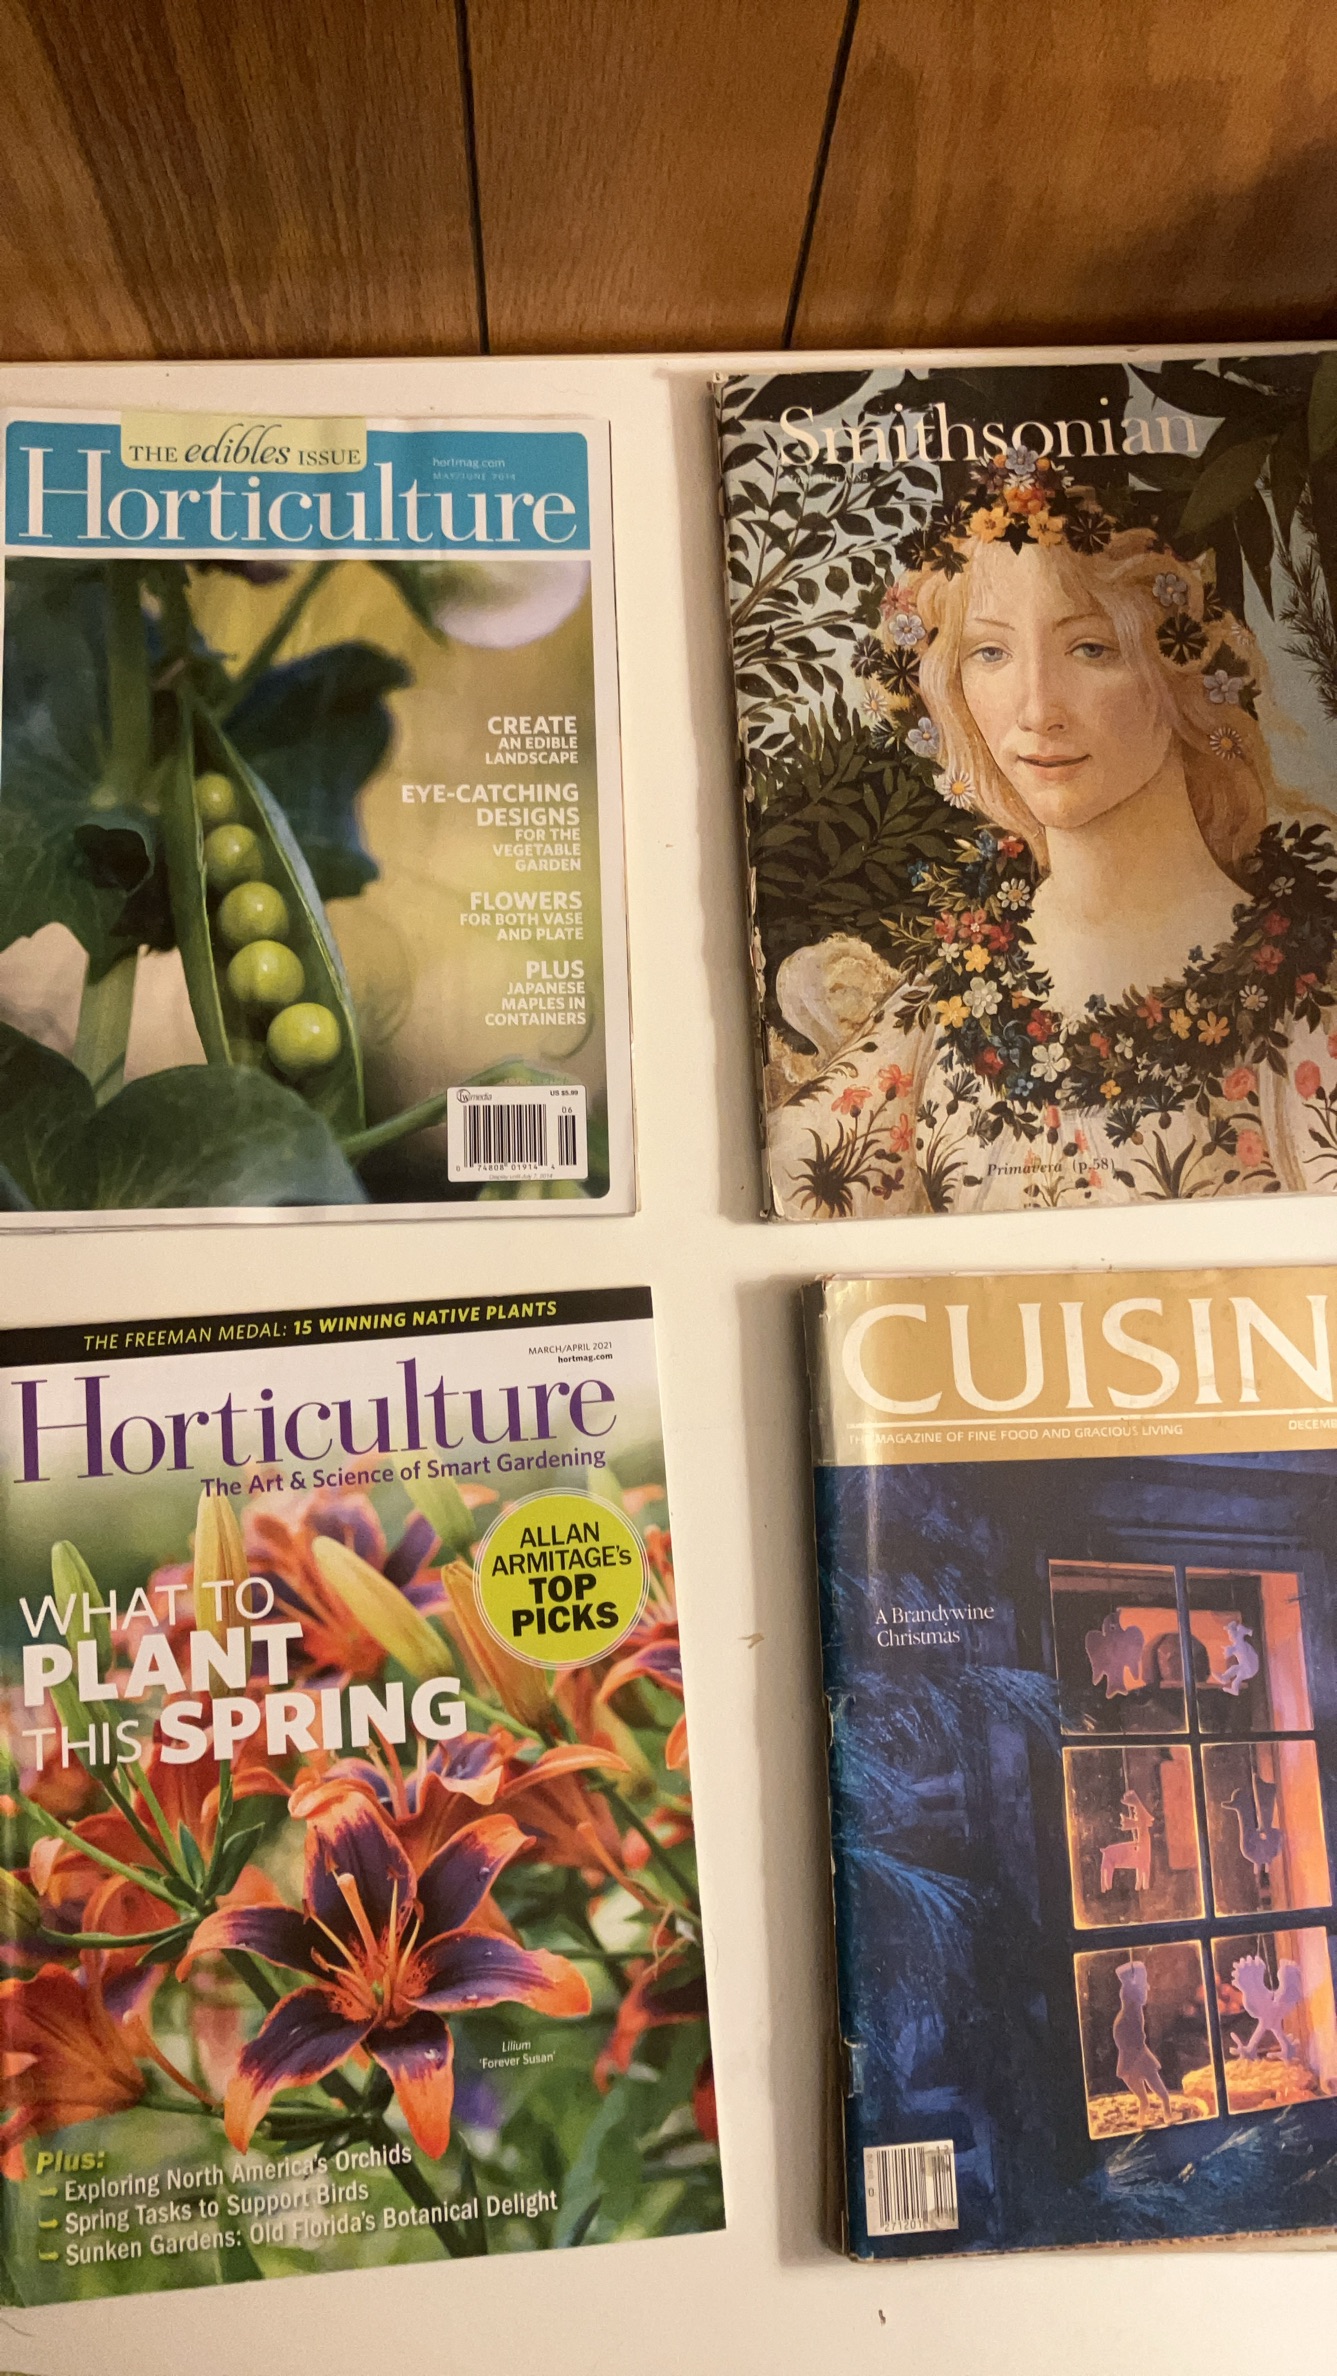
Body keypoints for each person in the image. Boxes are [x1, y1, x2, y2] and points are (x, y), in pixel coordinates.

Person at [769, 446, 1337, 1216]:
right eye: (990, 652)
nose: (1037, 709)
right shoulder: (953, 995)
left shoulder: (1305, 993)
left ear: (1179, 669)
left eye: (1089, 648)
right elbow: (793, 1192)